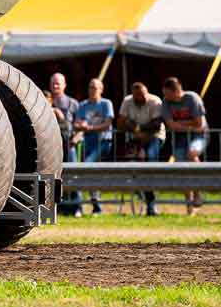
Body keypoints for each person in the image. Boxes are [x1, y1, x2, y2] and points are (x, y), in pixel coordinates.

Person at [161, 76, 208, 215]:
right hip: (180, 138)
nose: (165, 97)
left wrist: (181, 125)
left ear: (176, 91)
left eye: (167, 94)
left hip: (199, 136)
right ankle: (189, 205)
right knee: (182, 168)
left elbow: (199, 124)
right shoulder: (166, 102)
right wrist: (190, 124)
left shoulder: (192, 98)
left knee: (192, 153)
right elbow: (171, 125)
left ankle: (198, 192)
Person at [118, 82, 166, 216]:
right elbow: (120, 123)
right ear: (134, 96)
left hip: (154, 137)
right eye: (138, 96)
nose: (142, 98)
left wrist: (137, 128)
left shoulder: (155, 101)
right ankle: (139, 189)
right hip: (136, 137)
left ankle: (151, 204)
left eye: (144, 95)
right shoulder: (127, 101)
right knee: (128, 161)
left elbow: (156, 125)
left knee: (149, 161)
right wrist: (136, 129)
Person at [73, 78, 114, 215]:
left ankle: (94, 204)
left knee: (87, 166)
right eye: (90, 87)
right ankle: (95, 205)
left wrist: (89, 127)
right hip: (88, 143)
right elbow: (76, 124)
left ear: (101, 90)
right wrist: (81, 126)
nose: (92, 90)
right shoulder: (83, 105)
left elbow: (107, 124)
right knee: (90, 172)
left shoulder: (106, 103)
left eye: (95, 88)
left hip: (103, 142)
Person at [48, 73, 81, 216]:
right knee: (54, 177)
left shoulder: (73, 103)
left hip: (69, 143)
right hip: (52, 147)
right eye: (53, 83)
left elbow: (79, 125)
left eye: (58, 83)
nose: (55, 86)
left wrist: (77, 138)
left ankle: (77, 207)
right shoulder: (45, 101)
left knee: (73, 175)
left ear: (64, 85)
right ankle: (57, 207)